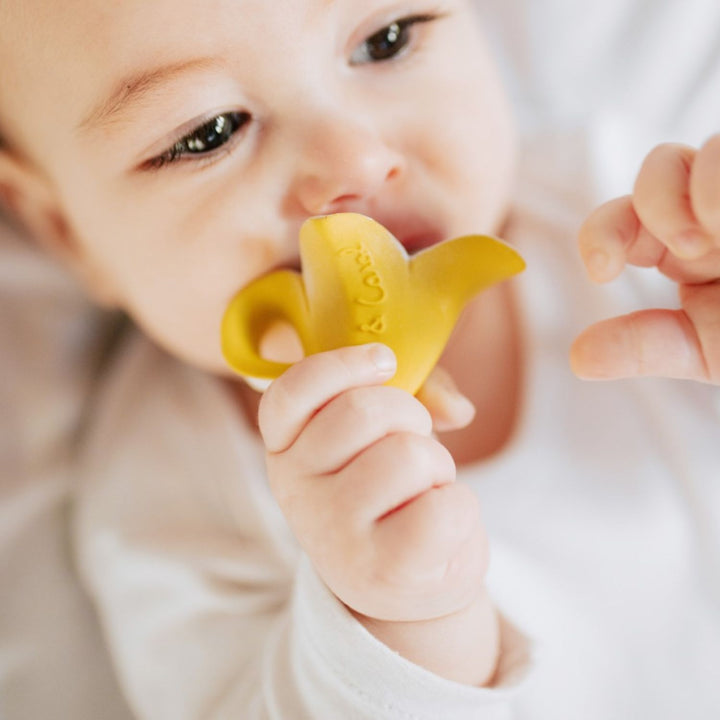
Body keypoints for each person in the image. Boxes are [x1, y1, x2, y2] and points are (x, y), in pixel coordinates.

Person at [0, 0, 718, 718]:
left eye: (386, 40)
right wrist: (397, 621)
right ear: (64, 230)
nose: (355, 163)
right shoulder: (165, 497)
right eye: (207, 133)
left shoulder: (640, 228)